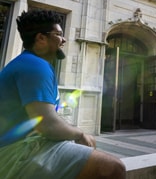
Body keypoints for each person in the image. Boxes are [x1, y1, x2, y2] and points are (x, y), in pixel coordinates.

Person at [0, 9, 125, 178]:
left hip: (25, 145)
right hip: (13, 152)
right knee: (113, 167)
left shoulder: (30, 63)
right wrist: (79, 133)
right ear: (41, 38)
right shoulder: (35, 66)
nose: (64, 39)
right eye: (58, 34)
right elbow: (47, 125)